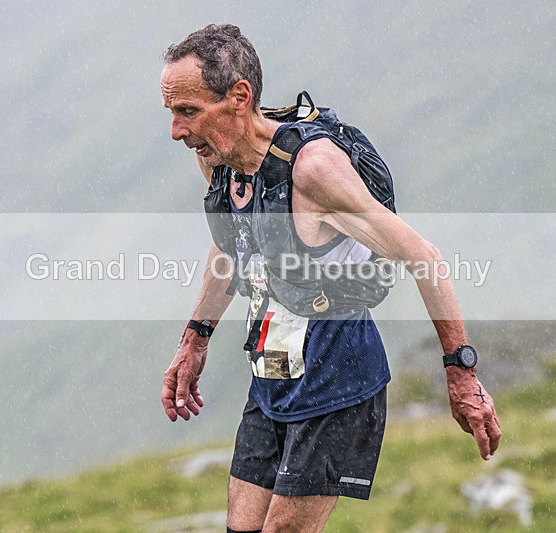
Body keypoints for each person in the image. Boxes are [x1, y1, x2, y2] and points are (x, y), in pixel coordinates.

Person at [160, 24, 501, 533]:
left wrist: (462, 372)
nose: (177, 132)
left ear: (238, 97)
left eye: (188, 112)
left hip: (338, 374)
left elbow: (424, 257)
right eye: (171, 114)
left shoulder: (313, 170)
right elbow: (232, 247)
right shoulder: (220, 161)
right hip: (272, 372)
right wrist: (194, 341)